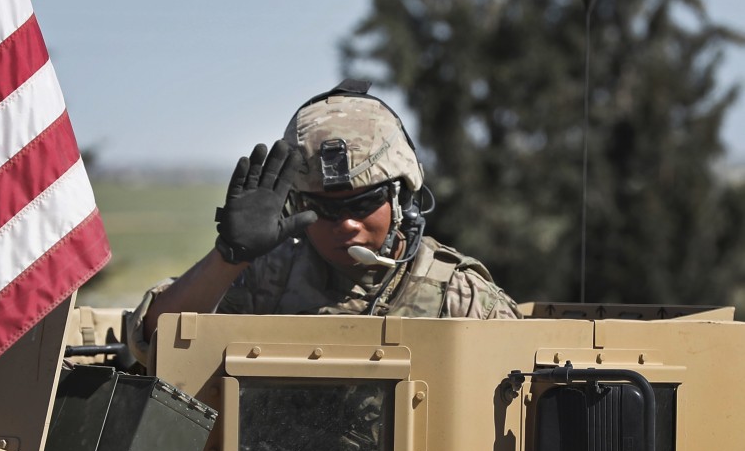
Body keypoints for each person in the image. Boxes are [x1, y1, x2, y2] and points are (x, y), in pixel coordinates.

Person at [126, 80, 521, 364]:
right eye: (324, 209)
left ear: (401, 197)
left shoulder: (460, 295)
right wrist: (229, 257)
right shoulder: (269, 277)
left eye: (364, 203)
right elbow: (154, 344)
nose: (347, 225)